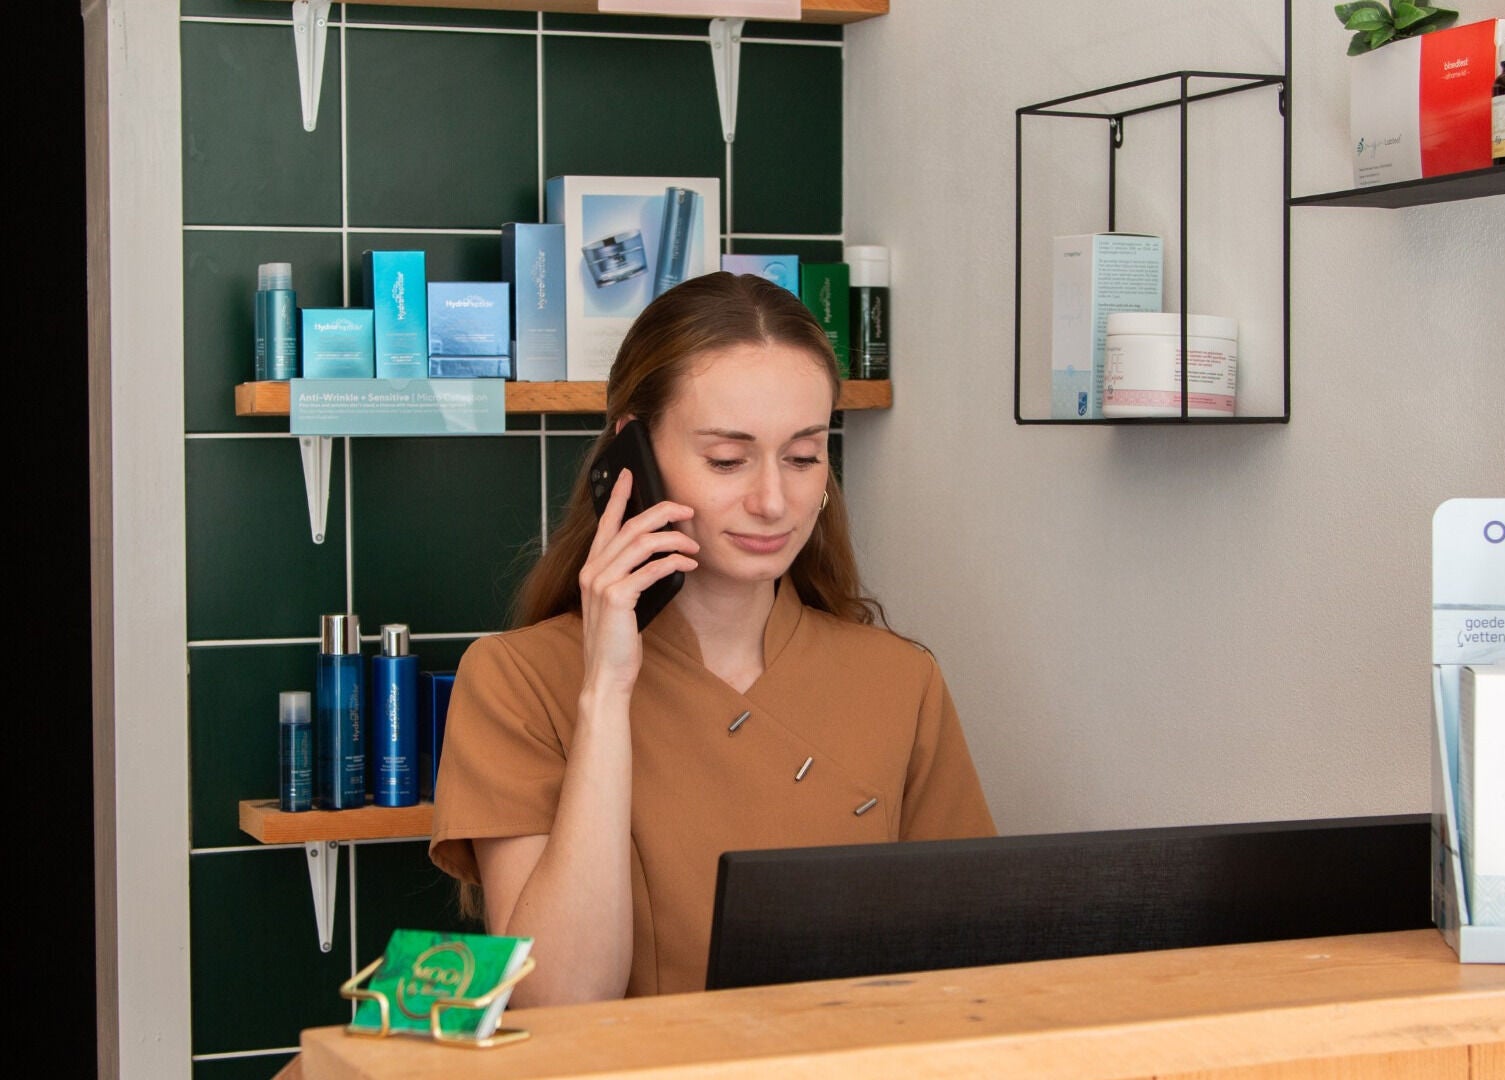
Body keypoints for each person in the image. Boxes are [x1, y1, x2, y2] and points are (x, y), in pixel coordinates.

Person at [429, 271, 994, 1006]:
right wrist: (605, 693)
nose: (772, 501)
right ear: (631, 459)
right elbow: (559, 1007)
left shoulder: (899, 680)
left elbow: (976, 969)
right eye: (727, 460)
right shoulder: (517, 680)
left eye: (802, 456)